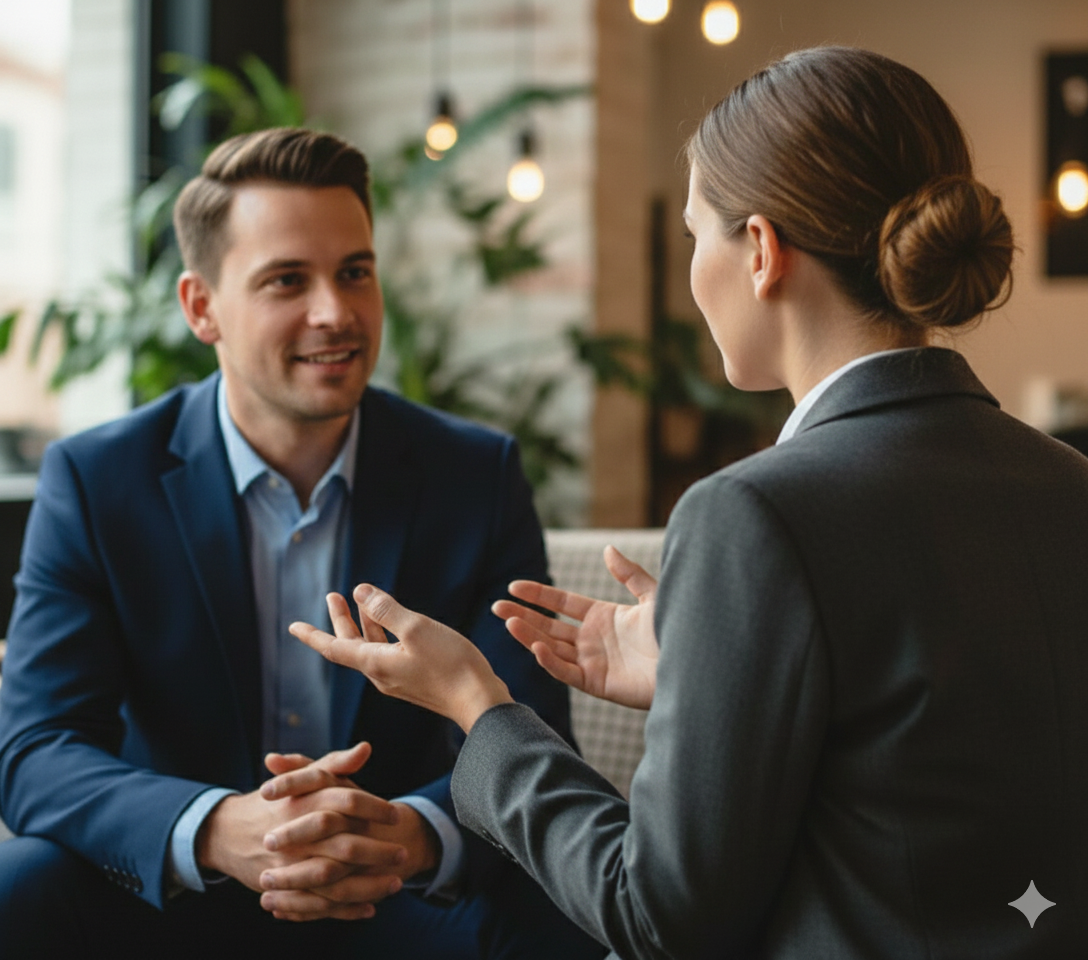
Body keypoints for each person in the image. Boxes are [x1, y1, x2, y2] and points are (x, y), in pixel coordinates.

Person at [285, 48, 1088, 959]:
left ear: (762, 252)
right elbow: (922, 782)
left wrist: (479, 709)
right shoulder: (1069, 483)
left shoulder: (757, 514)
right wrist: (709, 679)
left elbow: (657, 918)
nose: (694, 267)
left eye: (696, 233)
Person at [0, 128, 603, 959]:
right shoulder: (99, 480)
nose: (336, 312)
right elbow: (38, 751)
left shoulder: (475, 473)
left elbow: (530, 728)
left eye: (355, 272)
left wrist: (412, 835)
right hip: (180, 891)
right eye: (287, 280)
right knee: (17, 890)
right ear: (201, 307)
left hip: (390, 889)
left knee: (562, 914)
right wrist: (216, 827)